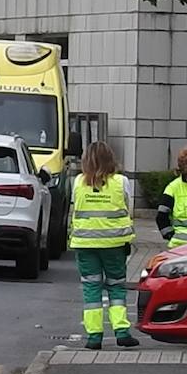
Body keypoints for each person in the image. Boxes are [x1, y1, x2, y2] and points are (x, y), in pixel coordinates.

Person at [69, 142, 139, 350]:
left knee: (91, 289)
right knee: (116, 287)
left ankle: (94, 336)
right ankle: (121, 331)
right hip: (114, 244)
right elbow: (127, 207)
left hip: (85, 244)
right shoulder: (121, 182)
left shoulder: (78, 182)